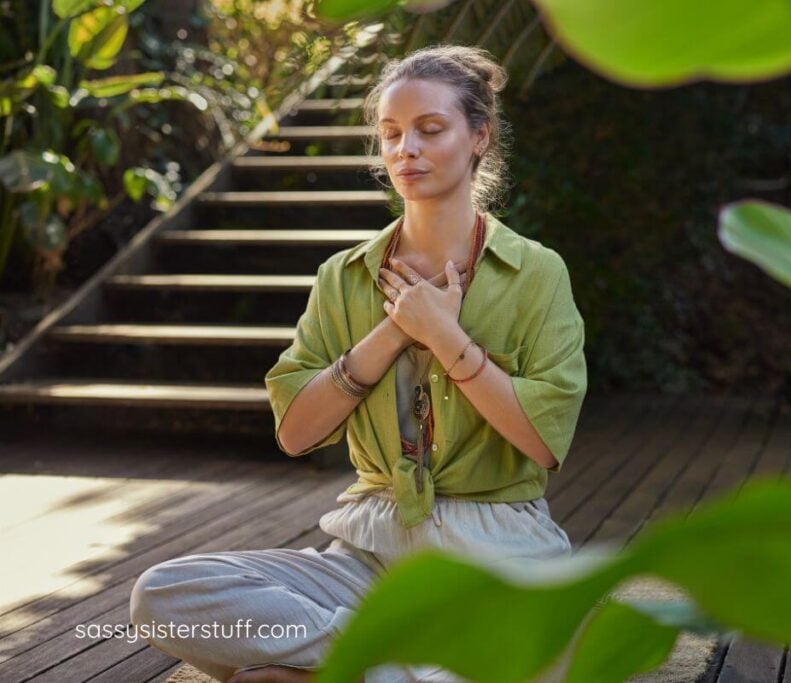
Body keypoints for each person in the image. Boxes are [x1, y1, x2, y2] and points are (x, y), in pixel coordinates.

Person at [129, 44, 587, 683]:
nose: (407, 150)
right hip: (367, 559)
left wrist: (447, 338)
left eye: (430, 130)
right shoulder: (342, 278)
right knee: (163, 593)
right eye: (392, 133)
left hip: (497, 558)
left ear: (479, 136)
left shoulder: (536, 273)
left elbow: (541, 441)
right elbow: (296, 432)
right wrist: (395, 332)